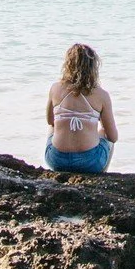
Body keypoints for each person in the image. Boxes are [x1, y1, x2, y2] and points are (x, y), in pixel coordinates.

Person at [44, 43, 117, 174]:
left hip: (57, 161)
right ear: (93, 67)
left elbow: (50, 121)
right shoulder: (102, 95)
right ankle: (101, 174)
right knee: (105, 133)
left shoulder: (55, 88)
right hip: (90, 163)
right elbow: (113, 137)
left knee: (52, 127)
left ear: (68, 65)